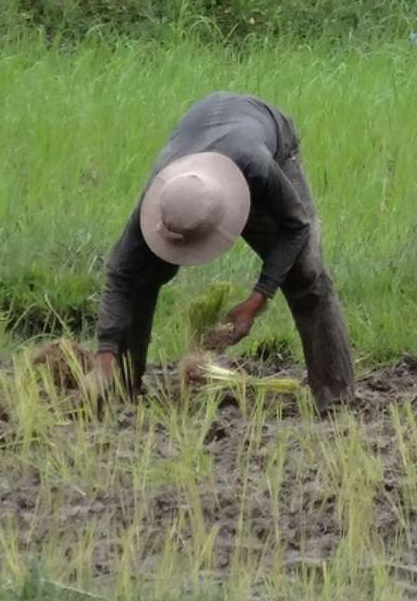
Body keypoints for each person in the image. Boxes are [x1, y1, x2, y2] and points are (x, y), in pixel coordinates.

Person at [88, 92, 354, 411]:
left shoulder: (257, 168)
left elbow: (297, 226)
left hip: (264, 136)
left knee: (306, 276)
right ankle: (122, 389)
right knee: (142, 274)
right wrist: (105, 356)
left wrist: (257, 300)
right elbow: (120, 273)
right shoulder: (164, 191)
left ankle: (334, 398)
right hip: (200, 139)